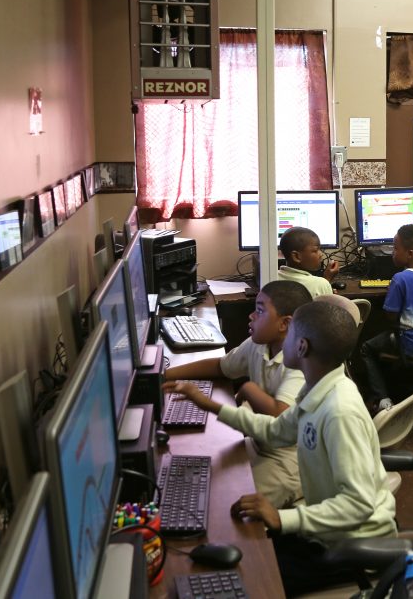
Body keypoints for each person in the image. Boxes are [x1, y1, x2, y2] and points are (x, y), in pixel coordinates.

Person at [165, 301, 397, 596]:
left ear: (301, 347)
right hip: (328, 529)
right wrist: (210, 405)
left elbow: (359, 503)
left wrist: (283, 517)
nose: (281, 341)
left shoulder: (339, 412)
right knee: (243, 548)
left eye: (288, 336)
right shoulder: (317, 389)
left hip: (353, 544)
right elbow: (276, 431)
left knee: (250, 577)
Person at [164, 280, 312, 507]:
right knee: (201, 473)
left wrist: (248, 390)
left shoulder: (299, 364)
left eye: (260, 311)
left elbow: (281, 415)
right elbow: (221, 367)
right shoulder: (260, 344)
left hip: (290, 460)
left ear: (285, 324)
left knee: (227, 505)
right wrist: (164, 374)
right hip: (260, 441)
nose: (251, 316)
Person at [360, 223, 413, 412]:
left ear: (410, 253)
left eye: (395, 248)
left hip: (412, 343)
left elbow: (391, 316)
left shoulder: (400, 279)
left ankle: (383, 399)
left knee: (367, 347)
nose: (392, 252)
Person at [278, 226, 339, 297]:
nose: (321, 254)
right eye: (316, 250)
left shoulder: (272, 277)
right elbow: (326, 307)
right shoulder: (320, 284)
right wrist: (326, 282)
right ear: (296, 256)